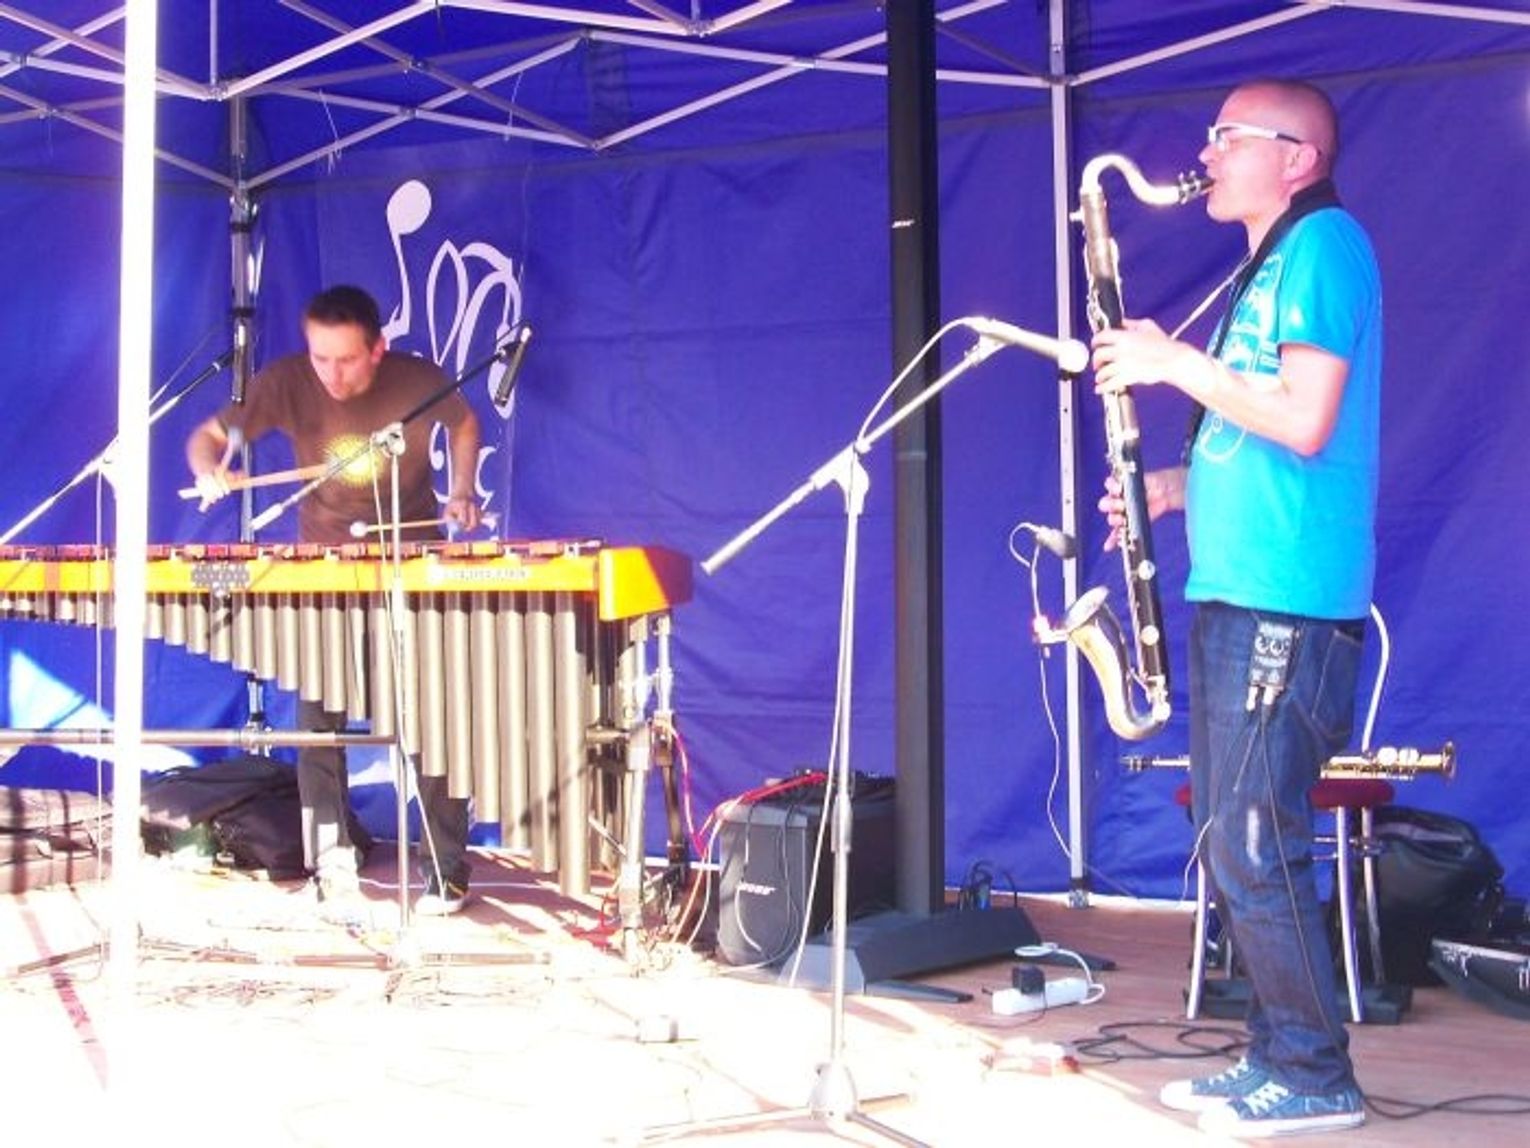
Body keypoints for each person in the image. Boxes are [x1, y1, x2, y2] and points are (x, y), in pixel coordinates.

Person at [1092, 80, 1379, 1137]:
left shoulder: (1324, 246)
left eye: (1229, 136)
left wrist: (1172, 363)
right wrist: (1172, 488)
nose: (1206, 152)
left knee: (1256, 840)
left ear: (1296, 158)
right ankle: (1273, 1054)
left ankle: (1314, 1073)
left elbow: (1304, 420)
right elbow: (1257, 426)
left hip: (1282, 600)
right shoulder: (1268, 266)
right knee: (1232, 838)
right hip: (1240, 591)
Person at [186, 285, 484, 919]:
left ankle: (446, 868)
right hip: (324, 573)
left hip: (410, 564)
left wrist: (461, 489)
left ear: (378, 349)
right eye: (321, 357)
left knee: (433, 721)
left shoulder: (418, 381)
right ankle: (332, 863)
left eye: (347, 359)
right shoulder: (287, 383)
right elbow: (207, 437)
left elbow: (464, 423)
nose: (332, 374)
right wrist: (210, 469)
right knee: (316, 724)